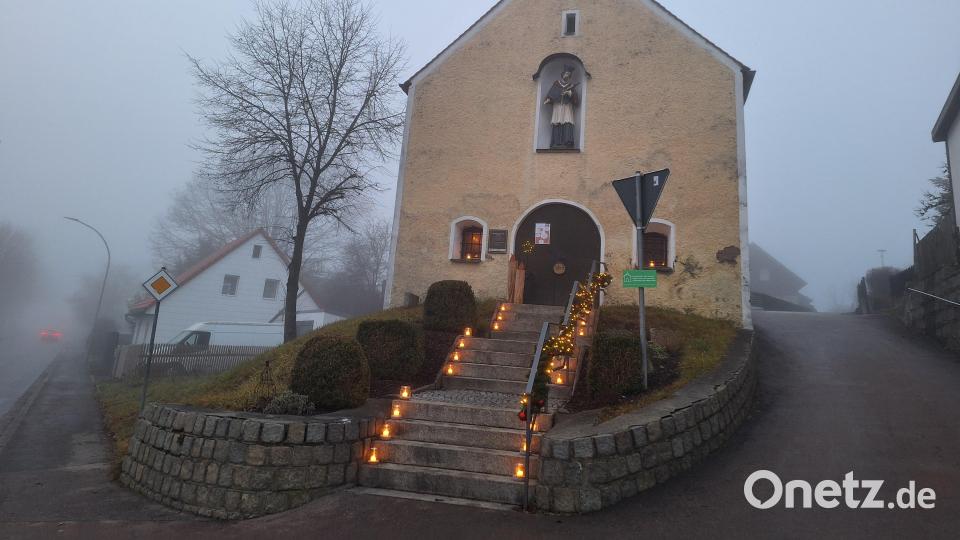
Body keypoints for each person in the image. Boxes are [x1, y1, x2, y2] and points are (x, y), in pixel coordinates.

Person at [543, 64, 580, 148]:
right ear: (562, 74)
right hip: (558, 106)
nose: (567, 75)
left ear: (570, 76)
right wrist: (549, 99)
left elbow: (575, 99)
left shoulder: (571, 86)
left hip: (567, 107)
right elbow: (552, 93)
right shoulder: (557, 83)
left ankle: (567, 142)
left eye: (568, 74)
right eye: (566, 73)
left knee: (567, 121)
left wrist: (569, 93)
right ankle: (556, 142)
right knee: (557, 121)